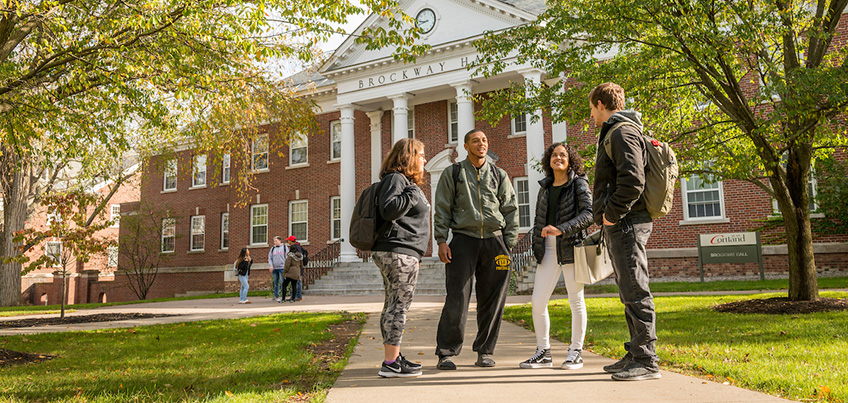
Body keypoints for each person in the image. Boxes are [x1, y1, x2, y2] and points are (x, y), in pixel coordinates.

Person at [589, 82, 661, 381]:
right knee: (628, 290)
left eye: (592, 107)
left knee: (635, 288)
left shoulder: (621, 132)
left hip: (628, 222)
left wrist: (610, 216)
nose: (591, 114)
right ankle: (635, 351)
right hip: (623, 222)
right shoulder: (617, 132)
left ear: (601, 104)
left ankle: (646, 360)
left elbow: (633, 181)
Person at [434, 129, 519, 370]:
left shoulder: (498, 174)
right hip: (463, 240)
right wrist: (441, 239)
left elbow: (510, 209)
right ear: (466, 146)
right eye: (475, 141)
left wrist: (508, 242)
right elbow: (442, 208)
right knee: (457, 297)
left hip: (495, 241)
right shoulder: (454, 173)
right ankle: (446, 353)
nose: (481, 144)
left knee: (492, 300)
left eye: (483, 140)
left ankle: (485, 351)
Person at [519, 143, 593, 369]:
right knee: (538, 301)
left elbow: (590, 214)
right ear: (548, 160)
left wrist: (563, 229)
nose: (558, 158)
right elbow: (537, 219)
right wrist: (536, 245)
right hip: (548, 249)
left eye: (563, 155)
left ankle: (575, 351)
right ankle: (543, 352)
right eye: (554, 155)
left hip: (572, 247)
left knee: (575, 300)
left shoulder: (579, 182)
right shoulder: (545, 186)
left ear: (570, 160)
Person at [372, 138, 430, 378]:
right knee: (399, 307)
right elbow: (390, 208)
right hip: (399, 251)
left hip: (401, 252)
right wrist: (413, 191)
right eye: (422, 155)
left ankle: (393, 357)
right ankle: (390, 363)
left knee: (392, 305)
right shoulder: (397, 180)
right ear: (410, 156)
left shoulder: (401, 182)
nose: (425, 160)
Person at [281, 236, 303, 303]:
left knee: (284, 285)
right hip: (296, 272)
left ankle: (283, 298)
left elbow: (287, 265)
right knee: (294, 286)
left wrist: (284, 273)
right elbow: (301, 265)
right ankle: (293, 298)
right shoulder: (300, 256)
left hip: (290, 273)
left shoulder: (290, 256)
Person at [268, 236, 288, 302]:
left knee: (282, 282)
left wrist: (286, 266)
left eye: (276, 241)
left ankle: (283, 296)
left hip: (282, 268)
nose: (275, 242)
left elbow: (287, 257)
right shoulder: (273, 249)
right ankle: (276, 296)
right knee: (275, 282)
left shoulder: (285, 248)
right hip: (275, 268)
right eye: (274, 241)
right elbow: (270, 257)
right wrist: (271, 265)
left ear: (280, 241)